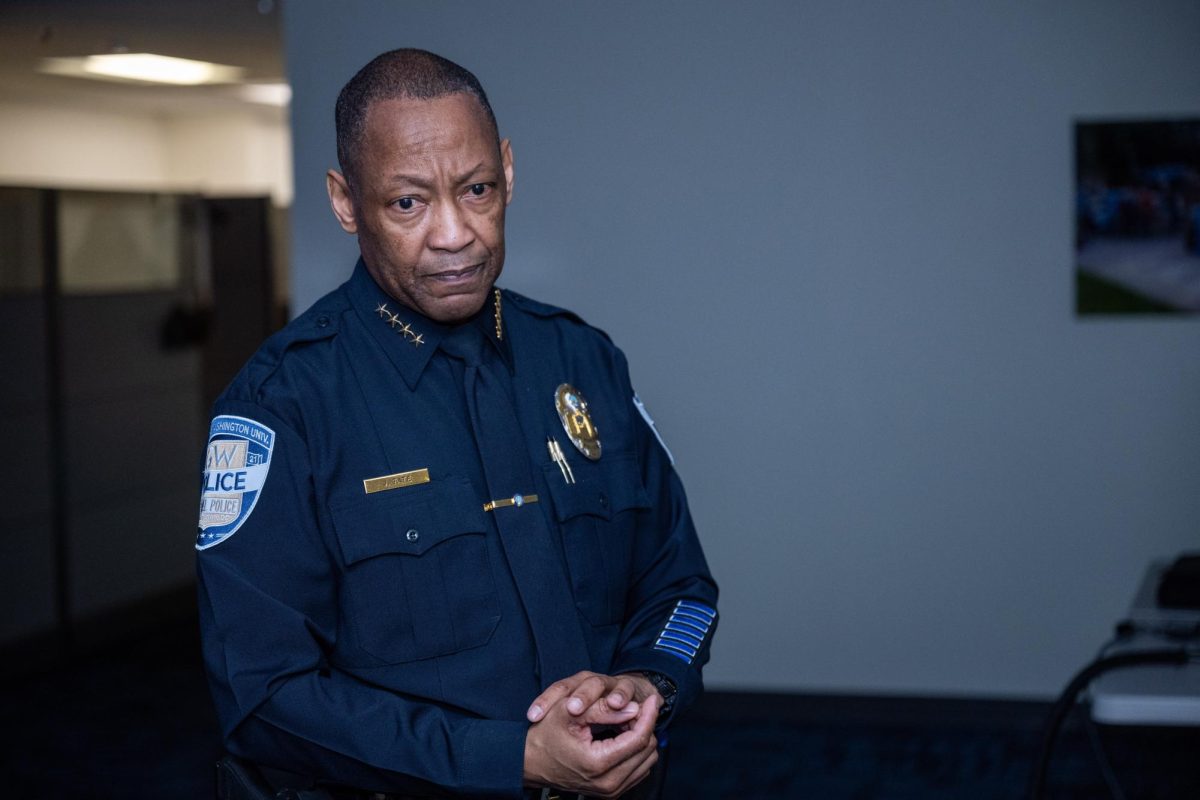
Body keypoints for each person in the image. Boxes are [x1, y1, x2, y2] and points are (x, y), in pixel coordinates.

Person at [196, 48, 718, 800]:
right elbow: (263, 696)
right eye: (407, 203)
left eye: (476, 190)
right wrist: (512, 759)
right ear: (345, 203)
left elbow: (682, 585)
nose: (454, 235)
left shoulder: (584, 360)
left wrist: (649, 684)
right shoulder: (281, 406)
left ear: (507, 169)